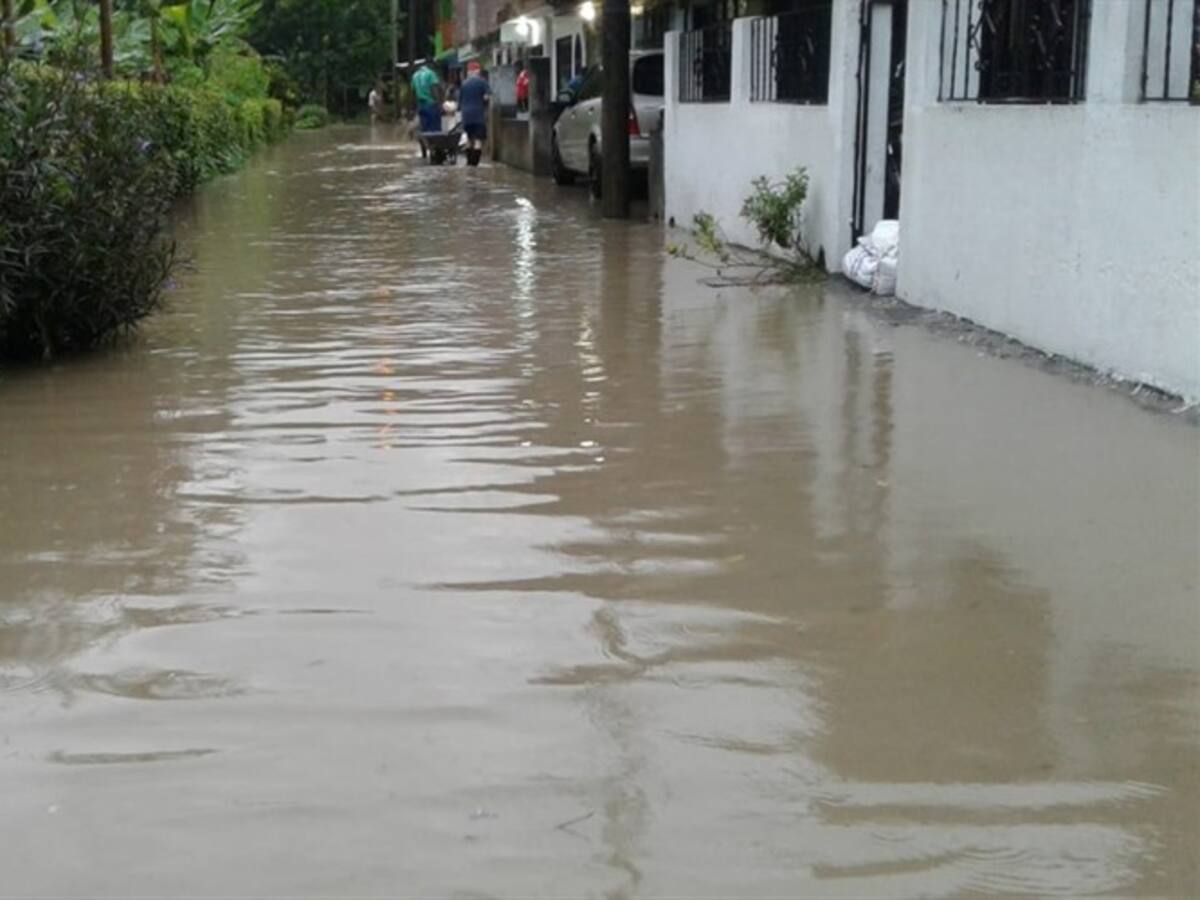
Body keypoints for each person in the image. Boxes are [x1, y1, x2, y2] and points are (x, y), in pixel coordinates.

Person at [459, 61, 491, 167]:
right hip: (478, 115)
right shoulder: (482, 82)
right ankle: (475, 166)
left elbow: (460, 100)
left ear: (469, 72)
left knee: (468, 139)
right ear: (477, 70)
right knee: (478, 140)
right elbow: (486, 97)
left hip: (466, 116)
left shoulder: (464, 84)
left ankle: (469, 164)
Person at [411, 60, 442, 134]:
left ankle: (426, 141)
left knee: (424, 130)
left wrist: (414, 107)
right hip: (431, 105)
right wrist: (439, 104)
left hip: (421, 105)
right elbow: (434, 89)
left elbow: (413, 93)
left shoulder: (415, 75)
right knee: (435, 131)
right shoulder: (430, 73)